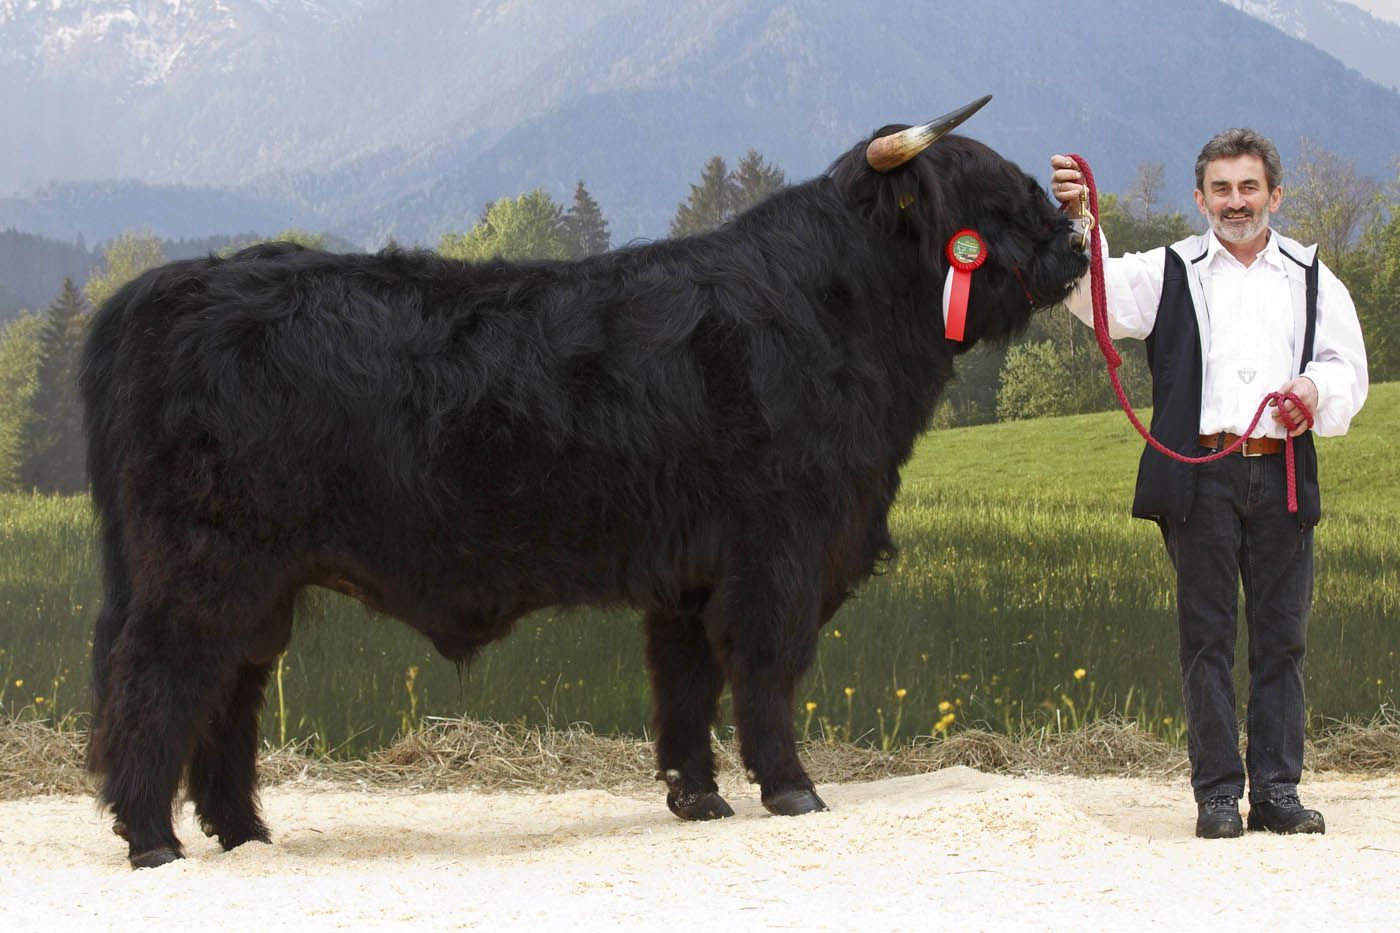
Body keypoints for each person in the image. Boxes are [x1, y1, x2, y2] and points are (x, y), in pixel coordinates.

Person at [1048, 130, 1368, 839]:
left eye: (1249, 187)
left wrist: (1314, 389)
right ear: (1200, 199)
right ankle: (1218, 795)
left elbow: (1348, 365)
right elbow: (1095, 295)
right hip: (1201, 476)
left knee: (1282, 640)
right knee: (1207, 640)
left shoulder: (1311, 275)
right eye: (1221, 189)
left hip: (1282, 470)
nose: (1235, 201)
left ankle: (1278, 791)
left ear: (1275, 195)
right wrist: (1079, 222)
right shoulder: (1171, 269)